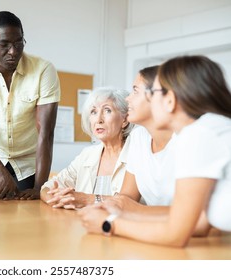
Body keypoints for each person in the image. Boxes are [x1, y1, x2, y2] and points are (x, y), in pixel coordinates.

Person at [79, 55, 231, 246]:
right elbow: (193, 220)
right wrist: (121, 211)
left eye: (155, 92)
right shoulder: (206, 129)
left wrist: (108, 224)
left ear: (170, 100)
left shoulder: (201, 134)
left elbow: (177, 233)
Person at [0, 11, 60, 200]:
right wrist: (2, 174)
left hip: (29, 164)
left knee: (28, 220)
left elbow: (46, 133)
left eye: (18, 42)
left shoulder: (43, 70)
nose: (13, 51)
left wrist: (40, 188)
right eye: (4, 44)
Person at [40, 87, 133, 209]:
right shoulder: (87, 155)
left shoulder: (136, 153)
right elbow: (47, 187)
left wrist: (86, 199)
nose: (98, 120)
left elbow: (130, 203)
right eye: (93, 112)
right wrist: (56, 198)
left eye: (107, 110)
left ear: (125, 120)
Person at [103, 65, 176, 215]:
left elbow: (190, 215)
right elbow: (127, 197)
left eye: (135, 91)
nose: (127, 98)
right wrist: (103, 208)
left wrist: (133, 210)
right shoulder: (138, 137)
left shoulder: (187, 139)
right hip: (153, 227)